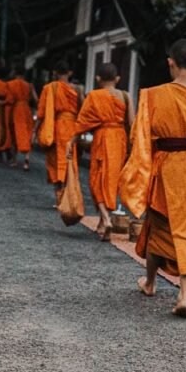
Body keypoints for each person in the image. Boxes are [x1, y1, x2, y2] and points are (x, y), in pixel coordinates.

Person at [119, 39, 186, 317]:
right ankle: (184, 295)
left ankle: (150, 282)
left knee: (158, 223)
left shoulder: (153, 95)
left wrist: (140, 170)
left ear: (170, 62)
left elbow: (139, 137)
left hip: (164, 165)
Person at [73, 62, 132, 240]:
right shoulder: (125, 96)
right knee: (111, 180)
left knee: (97, 180)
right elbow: (132, 123)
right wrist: (134, 148)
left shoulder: (94, 96)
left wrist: (72, 141)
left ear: (98, 78)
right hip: (119, 140)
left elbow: (82, 122)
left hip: (102, 137)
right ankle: (101, 223)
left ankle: (106, 219)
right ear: (117, 79)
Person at [36, 62, 82, 205]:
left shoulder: (50, 88)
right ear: (70, 73)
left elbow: (42, 112)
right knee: (69, 160)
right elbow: (83, 109)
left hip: (54, 128)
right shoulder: (77, 89)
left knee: (55, 162)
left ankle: (59, 197)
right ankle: (68, 197)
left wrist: (35, 129)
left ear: (55, 73)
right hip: (71, 129)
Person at [6, 64, 37, 172]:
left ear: (15, 72)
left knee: (15, 133)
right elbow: (36, 99)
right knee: (27, 133)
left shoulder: (10, 84)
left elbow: (9, 100)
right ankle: (26, 159)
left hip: (16, 110)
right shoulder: (29, 85)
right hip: (26, 109)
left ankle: (14, 160)